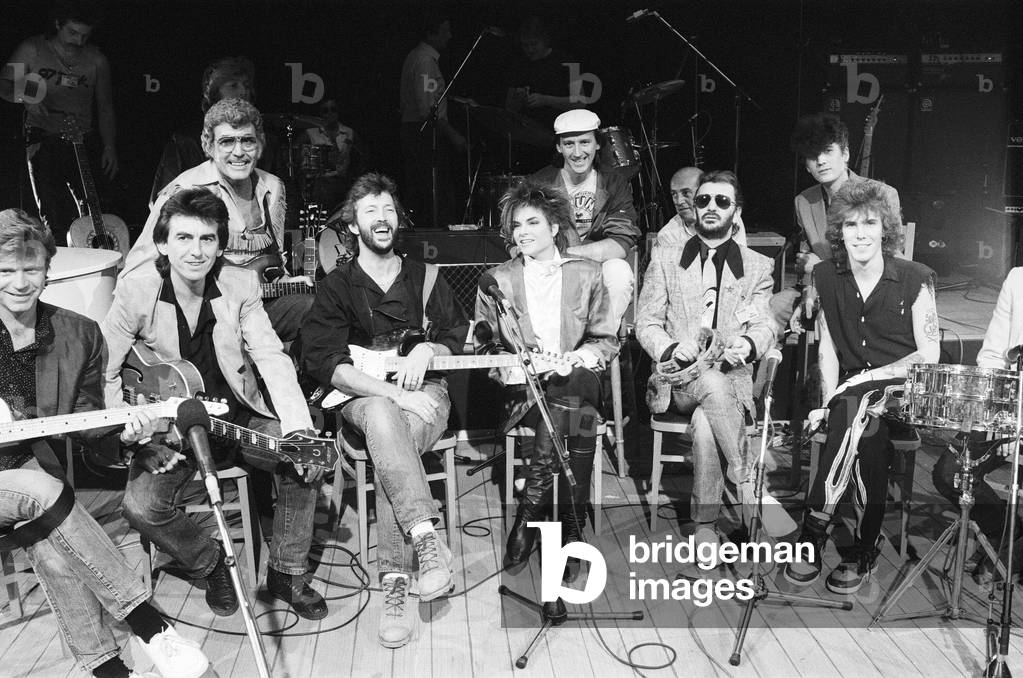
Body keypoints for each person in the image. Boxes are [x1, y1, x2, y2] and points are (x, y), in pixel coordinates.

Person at [0, 209, 211, 678]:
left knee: (51, 536)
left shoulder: (78, 334)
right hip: (24, 490)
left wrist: (129, 438)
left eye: (30, 268)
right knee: (45, 496)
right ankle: (153, 626)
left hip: (38, 486)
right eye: (6, 270)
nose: (19, 282)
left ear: (48, 270)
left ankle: (110, 671)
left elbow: (89, 426)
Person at [101, 187, 328, 621]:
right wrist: (133, 432)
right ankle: (211, 564)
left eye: (207, 239)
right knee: (140, 506)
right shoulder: (136, 290)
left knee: (302, 460)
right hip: (169, 427)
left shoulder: (239, 284)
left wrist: (299, 427)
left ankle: (287, 572)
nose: (196, 251)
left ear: (220, 245)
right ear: (163, 244)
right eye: (183, 239)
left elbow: (271, 356)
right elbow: (106, 371)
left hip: (236, 417)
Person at [302, 172, 467, 648]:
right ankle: (427, 543)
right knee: (379, 412)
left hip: (428, 398)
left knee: (389, 441)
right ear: (352, 225)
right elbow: (325, 363)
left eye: (389, 210)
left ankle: (393, 586)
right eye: (371, 210)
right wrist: (394, 394)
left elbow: (457, 339)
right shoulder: (337, 286)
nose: (382, 218)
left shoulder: (426, 277)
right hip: (366, 399)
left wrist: (429, 350)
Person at [783, 180, 939, 594]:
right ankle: (865, 548)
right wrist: (824, 402)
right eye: (851, 225)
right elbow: (830, 348)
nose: (861, 233)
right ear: (840, 232)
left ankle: (814, 530)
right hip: (854, 400)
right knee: (865, 432)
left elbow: (930, 355)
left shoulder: (915, 277)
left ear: (885, 229)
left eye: (870, 223)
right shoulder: (825, 276)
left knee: (857, 404)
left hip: (904, 391)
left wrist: (865, 380)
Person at [476, 180, 618, 575]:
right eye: (516, 225)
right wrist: (512, 365)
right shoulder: (497, 279)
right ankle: (572, 527)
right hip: (525, 394)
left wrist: (576, 358)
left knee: (571, 382)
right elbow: (484, 345)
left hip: (579, 378)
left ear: (554, 227)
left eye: (532, 223)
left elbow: (606, 340)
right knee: (574, 408)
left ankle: (527, 514)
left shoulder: (588, 273)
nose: (522, 232)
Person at [635, 170, 777, 547]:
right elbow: (645, 322)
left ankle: (705, 527)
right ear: (694, 208)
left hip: (730, 380)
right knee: (708, 385)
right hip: (679, 378)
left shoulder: (758, 266)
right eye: (703, 200)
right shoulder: (665, 259)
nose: (710, 207)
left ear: (737, 210)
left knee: (705, 419)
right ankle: (749, 480)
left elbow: (765, 325)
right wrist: (668, 348)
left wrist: (748, 343)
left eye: (722, 201)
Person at [120, 98, 312, 343]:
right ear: (208, 146)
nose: (239, 152)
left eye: (247, 140)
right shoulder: (185, 190)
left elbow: (271, 264)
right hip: (201, 317)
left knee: (314, 309)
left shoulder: (272, 187)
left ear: (260, 144)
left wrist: (285, 282)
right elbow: (136, 271)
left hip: (255, 309)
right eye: (227, 142)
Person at [932, 267, 1023, 584]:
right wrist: (985, 414)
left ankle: (1011, 552)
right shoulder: (1018, 279)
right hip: (1009, 404)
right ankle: (1007, 532)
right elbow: (993, 354)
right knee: (950, 473)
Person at [0, 0, 117, 246]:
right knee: (52, 211)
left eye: (85, 35)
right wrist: (25, 98)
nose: (78, 41)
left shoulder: (96, 60)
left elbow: (105, 106)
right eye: (72, 33)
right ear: (57, 24)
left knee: (92, 208)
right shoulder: (33, 49)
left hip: (82, 139)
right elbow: (6, 84)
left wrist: (109, 146)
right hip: (43, 135)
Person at [529, 108, 640, 330]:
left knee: (619, 271)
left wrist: (570, 255)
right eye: (569, 144)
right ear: (559, 147)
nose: (577, 152)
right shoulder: (540, 184)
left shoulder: (614, 183)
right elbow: (521, 239)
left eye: (584, 142)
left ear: (597, 144)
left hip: (592, 267)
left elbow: (621, 242)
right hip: (550, 270)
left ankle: (600, 342)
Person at [789, 112, 902, 323]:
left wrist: (820, 268)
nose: (821, 161)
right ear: (806, 165)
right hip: (824, 291)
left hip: (872, 292)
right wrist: (809, 295)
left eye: (828, 151)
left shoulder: (883, 194)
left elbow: (889, 261)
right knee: (773, 308)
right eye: (813, 156)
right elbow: (806, 259)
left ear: (846, 154)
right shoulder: (804, 201)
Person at [149, 56, 257, 205]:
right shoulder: (186, 141)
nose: (244, 92)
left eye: (246, 85)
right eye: (233, 85)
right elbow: (163, 203)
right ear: (214, 93)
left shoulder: (263, 142)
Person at [399, 14, 467, 227]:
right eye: (444, 31)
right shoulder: (425, 61)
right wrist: (454, 136)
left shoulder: (418, 57)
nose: (449, 36)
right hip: (423, 133)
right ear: (431, 33)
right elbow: (428, 109)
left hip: (416, 130)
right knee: (435, 193)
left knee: (424, 190)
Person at [657, 166, 747, 248]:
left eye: (686, 193)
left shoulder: (728, 219)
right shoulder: (667, 235)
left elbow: (739, 260)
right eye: (674, 194)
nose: (679, 201)